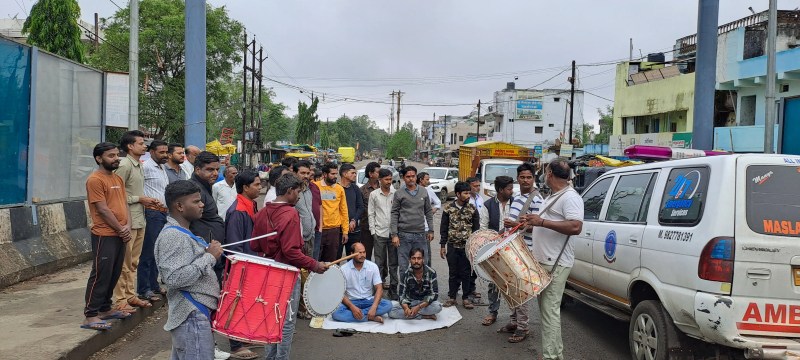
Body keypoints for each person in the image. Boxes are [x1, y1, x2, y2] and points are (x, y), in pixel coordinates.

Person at [251, 173, 329, 360]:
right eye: (298, 192)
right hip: (285, 274)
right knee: (286, 321)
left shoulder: (262, 212)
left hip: (267, 271)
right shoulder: (290, 214)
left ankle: (270, 357)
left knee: (271, 319)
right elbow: (291, 252)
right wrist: (314, 265)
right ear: (289, 191)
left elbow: (254, 245)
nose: (299, 196)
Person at [518, 158, 583, 359]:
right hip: (545, 261)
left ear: (550, 175)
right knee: (547, 312)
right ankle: (552, 353)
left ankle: (552, 356)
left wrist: (542, 222)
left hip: (556, 262)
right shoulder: (556, 195)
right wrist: (531, 223)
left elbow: (575, 227)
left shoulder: (570, 197)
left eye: (545, 173)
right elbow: (548, 222)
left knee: (550, 312)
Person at [154, 180, 223, 360]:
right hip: (191, 316)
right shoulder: (173, 236)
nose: (202, 205)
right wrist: (209, 257)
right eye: (196, 201)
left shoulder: (183, 233)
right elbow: (174, 278)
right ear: (179, 206)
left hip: (194, 314)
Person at [82, 142, 133, 331]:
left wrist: (127, 225)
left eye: (116, 155)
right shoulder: (95, 180)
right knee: (101, 274)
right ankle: (91, 314)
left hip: (120, 232)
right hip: (105, 234)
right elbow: (102, 209)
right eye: (111, 156)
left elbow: (124, 203)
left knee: (114, 272)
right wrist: (121, 229)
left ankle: (105, 309)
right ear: (99, 158)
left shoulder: (117, 179)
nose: (116, 158)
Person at [497, 162, 544, 343]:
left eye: (529, 177)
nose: (525, 180)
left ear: (533, 178)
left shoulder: (537, 199)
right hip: (513, 248)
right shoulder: (516, 197)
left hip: (527, 251)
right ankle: (514, 321)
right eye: (522, 177)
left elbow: (539, 227)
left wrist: (517, 226)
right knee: (510, 288)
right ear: (517, 178)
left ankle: (523, 327)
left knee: (521, 290)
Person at [111, 131, 154, 313]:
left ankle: (130, 295)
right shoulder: (124, 165)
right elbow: (115, 194)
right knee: (124, 263)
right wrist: (139, 198)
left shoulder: (138, 165)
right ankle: (120, 300)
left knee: (133, 262)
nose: (145, 146)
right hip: (127, 220)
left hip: (139, 218)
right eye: (141, 143)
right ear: (130, 146)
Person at [221, 171, 260, 360]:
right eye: (257, 185)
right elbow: (235, 246)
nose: (260, 188)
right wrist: (242, 267)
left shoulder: (250, 205)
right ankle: (236, 345)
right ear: (245, 187)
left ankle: (243, 337)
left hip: (251, 262)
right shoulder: (237, 211)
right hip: (242, 265)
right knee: (236, 303)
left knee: (247, 303)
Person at [479, 175, 515, 327]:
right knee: (494, 282)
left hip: (513, 248)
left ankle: (515, 317)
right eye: (509, 189)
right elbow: (483, 229)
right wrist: (492, 242)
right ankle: (492, 312)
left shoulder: (516, 203)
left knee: (513, 282)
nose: (512, 191)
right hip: (494, 250)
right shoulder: (487, 205)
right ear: (500, 190)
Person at [138, 139, 171, 305]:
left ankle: (154, 285)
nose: (165, 155)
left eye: (166, 152)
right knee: (148, 252)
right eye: (161, 152)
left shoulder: (162, 167)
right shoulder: (145, 167)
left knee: (158, 251)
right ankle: (144, 289)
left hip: (163, 214)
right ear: (151, 152)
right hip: (152, 213)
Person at [390, 166, 433, 290]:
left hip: (421, 235)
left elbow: (428, 212)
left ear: (416, 177)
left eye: (413, 176)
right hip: (403, 236)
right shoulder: (399, 194)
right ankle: (404, 292)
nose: (410, 179)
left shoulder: (423, 192)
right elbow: (394, 214)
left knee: (422, 264)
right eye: (408, 177)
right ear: (403, 178)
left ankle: (422, 291)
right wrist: (394, 234)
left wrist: (431, 230)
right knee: (403, 266)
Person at [439, 181, 480, 310]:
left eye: (469, 193)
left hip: (467, 248)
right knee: (453, 272)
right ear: (458, 194)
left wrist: (474, 247)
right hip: (452, 246)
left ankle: (466, 298)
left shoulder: (472, 209)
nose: (468, 195)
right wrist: (442, 245)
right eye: (465, 193)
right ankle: (452, 297)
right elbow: (444, 228)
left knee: (466, 273)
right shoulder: (448, 209)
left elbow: (476, 230)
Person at [188, 152, 226, 280]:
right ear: (198, 169)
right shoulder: (194, 189)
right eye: (210, 169)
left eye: (217, 169)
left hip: (211, 246)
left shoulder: (205, 186)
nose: (215, 173)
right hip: (203, 248)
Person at [332, 242, 392, 323]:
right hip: (351, 302)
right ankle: (369, 317)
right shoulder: (344, 269)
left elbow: (379, 288)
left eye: (364, 252)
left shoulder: (372, 266)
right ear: (352, 254)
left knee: (388, 305)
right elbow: (340, 293)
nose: (362, 255)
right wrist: (352, 308)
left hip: (368, 300)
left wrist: (374, 307)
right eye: (359, 253)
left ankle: (362, 315)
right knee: (336, 314)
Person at [368, 168, 399, 300]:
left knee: (393, 263)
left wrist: (397, 232)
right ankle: (378, 290)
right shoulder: (374, 195)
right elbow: (371, 213)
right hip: (379, 233)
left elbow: (398, 213)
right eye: (386, 179)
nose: (388, 182)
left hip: (393, 235)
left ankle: (393, 289)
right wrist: (373, 231)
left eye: (390, 179)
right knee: (379, 263)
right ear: (379, 180)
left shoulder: (396, 194)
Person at [389, 248, 442, 320]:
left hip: (424, 303)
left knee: (438, 307)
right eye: (413, 258)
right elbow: (401, 295)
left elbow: (434, 294)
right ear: (409, 260)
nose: (416, 261)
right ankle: (423, 316)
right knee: (391, 312)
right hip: (411, 302)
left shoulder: (431, 273)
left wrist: (418, 307)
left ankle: (412, 314)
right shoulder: (405, 274)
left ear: (423, 259)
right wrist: (406, 308)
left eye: (419, 258)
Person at [316, 162, 349, 262]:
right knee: (316, 260)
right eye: (332, 174)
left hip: (334, 231)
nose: (335, 176)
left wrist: (345, 231)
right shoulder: (315, 187)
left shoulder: (339, 189)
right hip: (318, 230)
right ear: (325, 174)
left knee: (330, 262)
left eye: (336, 174)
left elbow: (344, 210)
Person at [338, 163, 363, 258]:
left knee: (353, 258)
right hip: (339, 231)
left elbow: (360, 207)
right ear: (344, 174)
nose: (355, 175)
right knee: (336, 259)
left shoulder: (355, 188)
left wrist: (354, 220)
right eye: (352, 173)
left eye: (355, 173)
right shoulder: (336, 188)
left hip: (354, 230)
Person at [417, 171, 441, 265]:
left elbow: (438, 203)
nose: (428, 181)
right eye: (427, 179)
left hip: (426, 227)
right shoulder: (413, 191)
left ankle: (427, 273)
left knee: (426, 253)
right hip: (413, 228)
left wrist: (433, 210)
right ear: (421, 180)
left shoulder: (429, 190)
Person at [359, 162, 381, 260]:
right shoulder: (362, 190)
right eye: (378, 172)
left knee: (381, 256)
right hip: (366, 228)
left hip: (382, 227)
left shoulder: (384, 188)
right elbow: (360, 208)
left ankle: (381, 275)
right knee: (366, 255)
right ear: (371, 174)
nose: (380, 174)